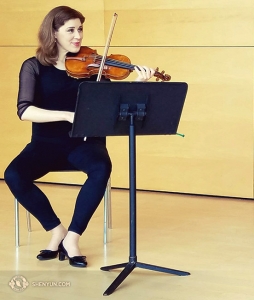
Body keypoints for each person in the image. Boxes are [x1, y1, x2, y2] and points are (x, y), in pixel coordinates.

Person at [4, 6, 155, 268]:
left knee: (101, 167)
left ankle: (72, 238)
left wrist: (138, 85)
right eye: (71, 30)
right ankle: (56, 230)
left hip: (85, 143)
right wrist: (66, 115)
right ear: (53, 32)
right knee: (13, 175)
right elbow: (24, 110)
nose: (78, 36)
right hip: (45, 143)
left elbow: (115, 107)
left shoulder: (97, 69)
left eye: (80, 29)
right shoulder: (34, 67)